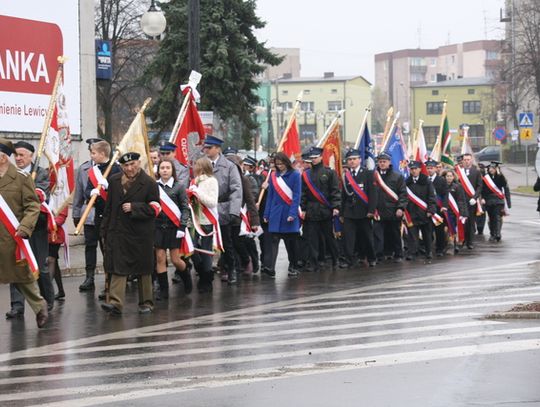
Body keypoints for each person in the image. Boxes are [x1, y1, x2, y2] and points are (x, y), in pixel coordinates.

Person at [100, 152, 160, 315]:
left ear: (139, 163)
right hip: (118, 232)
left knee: (143, 269)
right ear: (121, 166)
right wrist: (104, 229)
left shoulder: (149, 183)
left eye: (133, 164)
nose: (130, 168)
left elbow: (155, 208)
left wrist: (135, 207)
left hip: (140, 234)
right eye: (126, 165)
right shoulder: (114, 180)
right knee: (118, 266)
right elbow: (109, 207)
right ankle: (115, 303)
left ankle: (146, 302)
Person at [0, 138, 48, 327]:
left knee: (22, 277)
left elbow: (32, 205)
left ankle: (39, 305)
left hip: (12, 236)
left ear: (3, 157)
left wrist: (25, 227)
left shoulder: (21, 178)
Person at [202, 135, 243, 285]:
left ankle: (231, 269)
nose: (206, 150)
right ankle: (205, 272)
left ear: (218, 149)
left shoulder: (229, 166)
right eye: (205, 147)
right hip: (205, 208)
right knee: (204, 241)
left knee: (226, 242)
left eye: (209, 148)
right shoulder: (202, 164)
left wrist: (233, 211)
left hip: (223, 208)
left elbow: (236, 189)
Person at [83, 140, 121, 297]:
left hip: (113, 218)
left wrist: (109, 187)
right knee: (102, 250)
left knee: (110, 252)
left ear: (103, 154)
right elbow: (86, 192)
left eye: (93, 153)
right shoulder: (93, 171)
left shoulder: (115, 169)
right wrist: (91, 193)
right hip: (99, 217)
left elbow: (121, 193)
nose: (91, 156)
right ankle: (107, 285)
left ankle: (111, 287)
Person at [300, 146, 341, 272]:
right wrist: (303, 209)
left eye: (316, 157)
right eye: (311, 158)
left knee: (329, 237)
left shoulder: (329, 172)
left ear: (321, 157)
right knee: (312, 238)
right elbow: (304, 194)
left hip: (325, 209)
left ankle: (335, 259)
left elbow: (335, 191)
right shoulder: (306, 175)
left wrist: (335, 206)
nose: (313, 160)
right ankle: (314, 263)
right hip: (312, 210)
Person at [155, 160, 190, 299]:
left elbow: (185, 208)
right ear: (158, 170)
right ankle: (164, 290)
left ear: (172, 170)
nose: (164, 170)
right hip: (158, 226)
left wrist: (182, 226)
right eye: (162, 168)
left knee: (176, 259)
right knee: (160, 257)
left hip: (174, 227)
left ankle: (186, 276)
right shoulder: (154, 186)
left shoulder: (179, 186)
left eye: (167, 168)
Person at [263, 152, 302, 277]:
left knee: (291, 243)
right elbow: (270, 197)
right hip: (275, 213)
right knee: (274, 240)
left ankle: (293, 265)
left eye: (281, 164)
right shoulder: (273, 176)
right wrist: (267, 213)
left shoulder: (295, 175)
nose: (279, 166)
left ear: (287, 162)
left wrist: (292, 213)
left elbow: (296, 196)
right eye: (277, 164)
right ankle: (271, 267)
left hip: (289, 212)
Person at [72, 138, 103, 292]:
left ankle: (111, 278)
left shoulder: (109, 168)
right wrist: (76, 214)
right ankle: (89, 277)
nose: (92, 153)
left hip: (105, 214)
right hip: (89, 215)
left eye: (95, 150)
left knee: (107, 248)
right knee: (90, 246)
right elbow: (78, 193)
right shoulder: (84, 169)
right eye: (91, 150)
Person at [339, 148, 377, 268]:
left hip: (364, 211)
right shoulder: (346, 175)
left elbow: (373, 194)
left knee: (367, 237)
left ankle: (371, 258)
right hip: (349, 212)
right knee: (348, 238)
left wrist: (371, 210)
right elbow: (343, 195)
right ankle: (349, 260)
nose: (352, 161)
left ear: (360, 160)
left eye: (354, 159)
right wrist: (341, 213)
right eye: (349, 159)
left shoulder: (368, 174)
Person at [188, 157, 219, 293]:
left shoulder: (211, 181)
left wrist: (197, 192)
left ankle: (206, 279)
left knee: (206, 251)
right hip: (194, 221)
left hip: (207, 221)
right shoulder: (194, 182)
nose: (194, 168)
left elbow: (212, 202)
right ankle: (202, 272)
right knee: (192, 250)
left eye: (197, 165)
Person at [373, 151, 408, 262]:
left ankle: (398, 254)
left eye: (384, 161)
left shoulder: (397, 176)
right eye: (380, 162)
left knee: (394, 234)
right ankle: (379, 255)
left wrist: (400, 208)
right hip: (378, 211)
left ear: (389, 162)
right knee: (378, 235)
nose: (382, 163)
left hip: (393, 210)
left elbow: (403, 194)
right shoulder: (373, 176)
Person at [404, 161, 438, 263]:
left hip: (424, 213)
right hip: (412, 213)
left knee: (427, 235)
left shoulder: (426, 181)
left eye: (415, 169)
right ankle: (412, 253)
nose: (413, 171)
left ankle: (428, 252)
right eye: (412, 169)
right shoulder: (407, 182)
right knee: (412, 235)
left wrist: (431, 210)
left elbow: (432, 197)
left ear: (419, 169)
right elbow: (404, 197)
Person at [456, 153, 483, 249]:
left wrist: (475, 198)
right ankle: (462, 240)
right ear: (462, 161)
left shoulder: (476, 172)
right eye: (465, 160)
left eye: (468, 159)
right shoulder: (458, 172)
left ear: (471, 160)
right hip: (461, 201)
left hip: (471, 201)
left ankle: (470, 242)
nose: (467, 161)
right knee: (462, 222)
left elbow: (480, 186)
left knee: (471, 222)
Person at [482, 161, 511, 242]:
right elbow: (483, 189)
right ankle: (492, 234)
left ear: (496, 169)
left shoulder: (500, 177)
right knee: (491, 218)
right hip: (489, 200)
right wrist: (483, 198)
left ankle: (498, 233)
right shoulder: (486, 178)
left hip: (498, 201)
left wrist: (499, 174)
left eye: (493, 168)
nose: (491, 169)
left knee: (497, 217)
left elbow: (504, 184)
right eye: (490, 168)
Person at [442, 169, 468, 254]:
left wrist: (462, 213)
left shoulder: (457, 186)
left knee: (454, 228)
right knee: (446, 229)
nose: (449, 178)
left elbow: (461, 200)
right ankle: (447, 244)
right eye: (447, 176)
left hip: (454, 211)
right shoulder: (441, 186)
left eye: (450, 176)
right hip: (444, 212)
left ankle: (455, 244)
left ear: (453, 177)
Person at [425, 160, 448, 256]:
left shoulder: (441, 180)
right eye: (428, 168)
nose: (429, 170)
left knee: (439, 230)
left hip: (438, 209)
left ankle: (440, 249)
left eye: (431, 168)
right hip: (428, 209)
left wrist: (444, 206)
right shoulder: (425, 180)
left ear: (435, 168)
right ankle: (429, 249)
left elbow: (445, 194)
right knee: (428, 230)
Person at [47, 206, 69, 301]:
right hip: (45, 233)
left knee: (50, 260)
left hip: (56, 233)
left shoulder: (61, 194)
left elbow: (62, 216)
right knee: (54, 263)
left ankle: (47, 292)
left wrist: (51, 225)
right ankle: (61, 291)